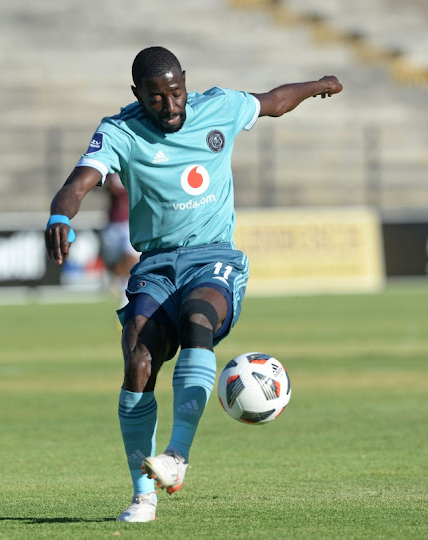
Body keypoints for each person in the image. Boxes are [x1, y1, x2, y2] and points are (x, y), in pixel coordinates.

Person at [44, 46, 342, 522]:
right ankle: (143, 497)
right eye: (156, 98)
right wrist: (61, 213)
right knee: (139, 359)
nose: (170, 106)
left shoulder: (219, 106)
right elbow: (79, 182)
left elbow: (275, 101)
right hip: (157, 265)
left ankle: (177, 456)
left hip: (214, 257)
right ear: (137, 95)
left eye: (176, 92)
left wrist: (317, 85)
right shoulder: (119, 130)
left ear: (186, 81)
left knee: (197, 318)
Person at [100, 172, 140, 306]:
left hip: (129, 223)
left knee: (130, 257)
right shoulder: (111, 171)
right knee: (116, 263)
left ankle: (127, 293)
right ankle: (120, 282)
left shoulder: (135, 169)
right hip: (112, 223)